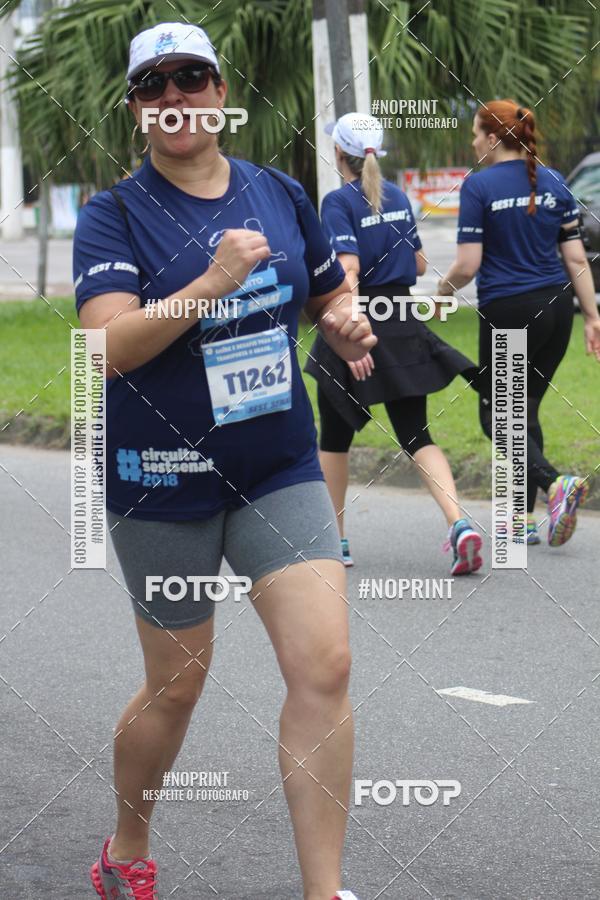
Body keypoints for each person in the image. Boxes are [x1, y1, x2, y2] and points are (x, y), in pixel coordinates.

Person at [74, 22, 375, 900]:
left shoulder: (277, 191)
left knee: (326, 665)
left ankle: (324, 891)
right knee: (177, 685)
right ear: (136, 109)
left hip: (277, 465)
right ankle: (129, 842)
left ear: (220, 91)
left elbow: (326, 292)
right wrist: (209, 284)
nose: (174, 96)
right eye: (153, 85)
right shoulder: (113, 214)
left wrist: (344, 323)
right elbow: (105, 348)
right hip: (161, 477)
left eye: (190, 77)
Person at [305, 112, 483, 576]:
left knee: (334, 438)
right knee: (416, 434)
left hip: (361, 315)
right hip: (401, 317)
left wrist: (353, 332)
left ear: (339, 153)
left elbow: (348, 270)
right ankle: (459, 524)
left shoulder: (337, 201)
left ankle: (335, 542)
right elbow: (419, 263)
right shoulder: (399, 197)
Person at [438, 99, 600, 547]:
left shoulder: (478, 186)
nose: (473, 142)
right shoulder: (554, 180)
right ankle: (521, 521)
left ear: (493, 139)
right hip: (557, 311)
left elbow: (467, 265)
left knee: (497, 414)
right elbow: (576, 258)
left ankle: (555, 484)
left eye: (476, 133)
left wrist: (441, 292)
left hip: (510, 313)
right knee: (523, 410)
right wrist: (592, 316)